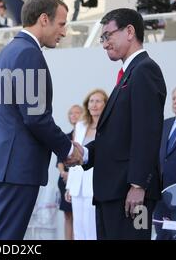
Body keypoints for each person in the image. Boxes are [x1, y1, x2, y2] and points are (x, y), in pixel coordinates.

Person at [0, 0, 81, 240]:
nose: (64, 32)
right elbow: (36, 117)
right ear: (44, 19)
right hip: (18, 168)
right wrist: (67, 149)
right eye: (61, 24)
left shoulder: (8, 51)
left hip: (6, 166)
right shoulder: (28, 54)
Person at [73, 8, 167, 240]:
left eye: (108, 36)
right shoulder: (129, 74)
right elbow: (116, 136)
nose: (104, 44)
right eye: (102, 38)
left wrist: (138, 185)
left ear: (129, 31)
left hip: (131, 195)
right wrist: (85, 153)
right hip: (112, 192)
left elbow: (147, 132)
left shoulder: (145, 70)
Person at [66, 90, 108, 240]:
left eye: (98, 101)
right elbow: (75, 154)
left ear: (105, 104)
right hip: (78, 183)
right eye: (91, 101)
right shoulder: (81, 125)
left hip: (95, 182)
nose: (94, 105)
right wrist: (69, 186)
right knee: (78, 227)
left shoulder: (108, 125)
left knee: (92, 227)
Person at [58, 104, 83, 240]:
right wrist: (63, 173)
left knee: (80, 214)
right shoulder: (65, 137)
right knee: (68, 214)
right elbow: (60, 160)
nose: (74, 115)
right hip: (66, 180)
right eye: (71, 113)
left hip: (81, 178)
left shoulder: (88, 135)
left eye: (77, 113)